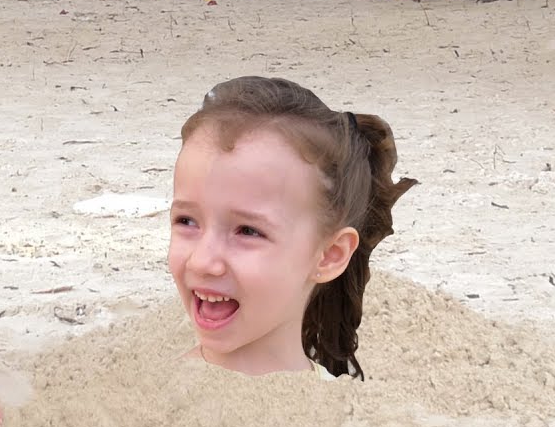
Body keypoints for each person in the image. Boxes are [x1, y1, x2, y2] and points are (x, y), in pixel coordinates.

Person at [167, 76, 416, 380]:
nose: (202, 261)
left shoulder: (343, 407)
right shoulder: (134, 390)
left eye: (247, 231)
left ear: (330, 255)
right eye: (187, 221)